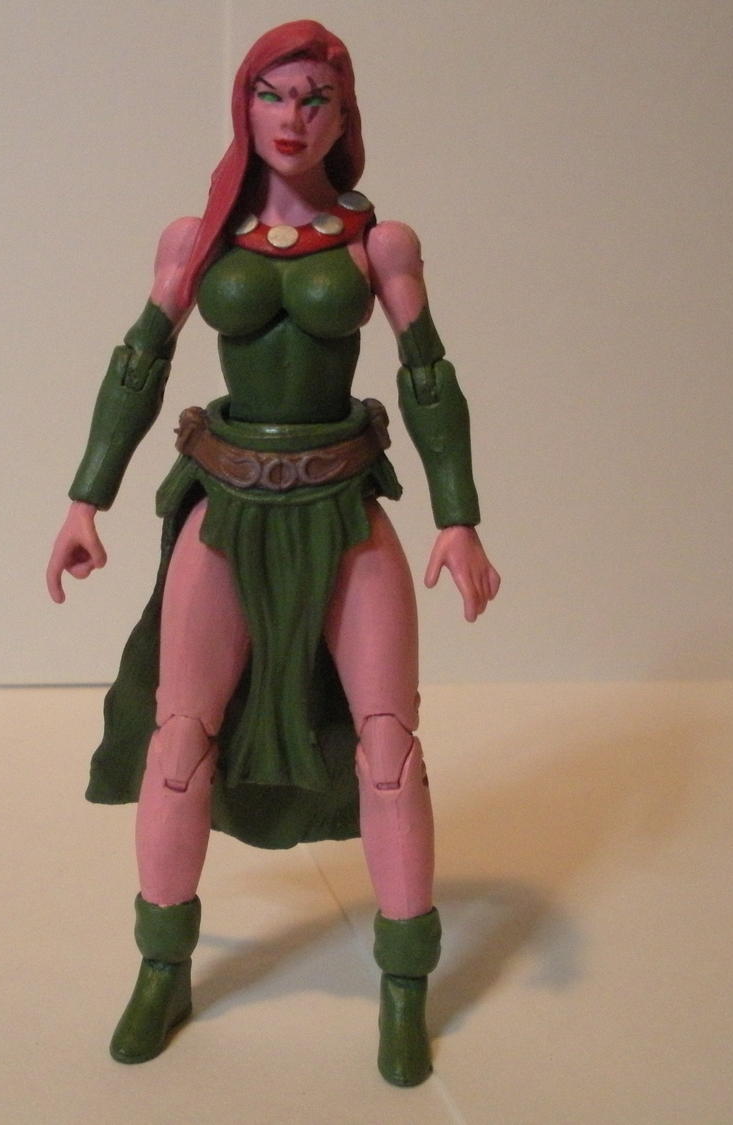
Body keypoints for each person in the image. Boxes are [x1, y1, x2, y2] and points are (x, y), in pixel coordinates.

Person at [45, 19, 499, 1087]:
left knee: (388, 749)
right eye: (273, 95)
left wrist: (459, 515)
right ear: (243, 105)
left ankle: (404, 982)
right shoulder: (197, 238)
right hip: (226, 504)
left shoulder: (379, 244)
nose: (292, 118)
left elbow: (429, 376)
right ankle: (163, 964)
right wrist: (85, 497)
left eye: (314, 100)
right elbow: (139, 360)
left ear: (343, 118)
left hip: (343, 510)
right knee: (179, 740)